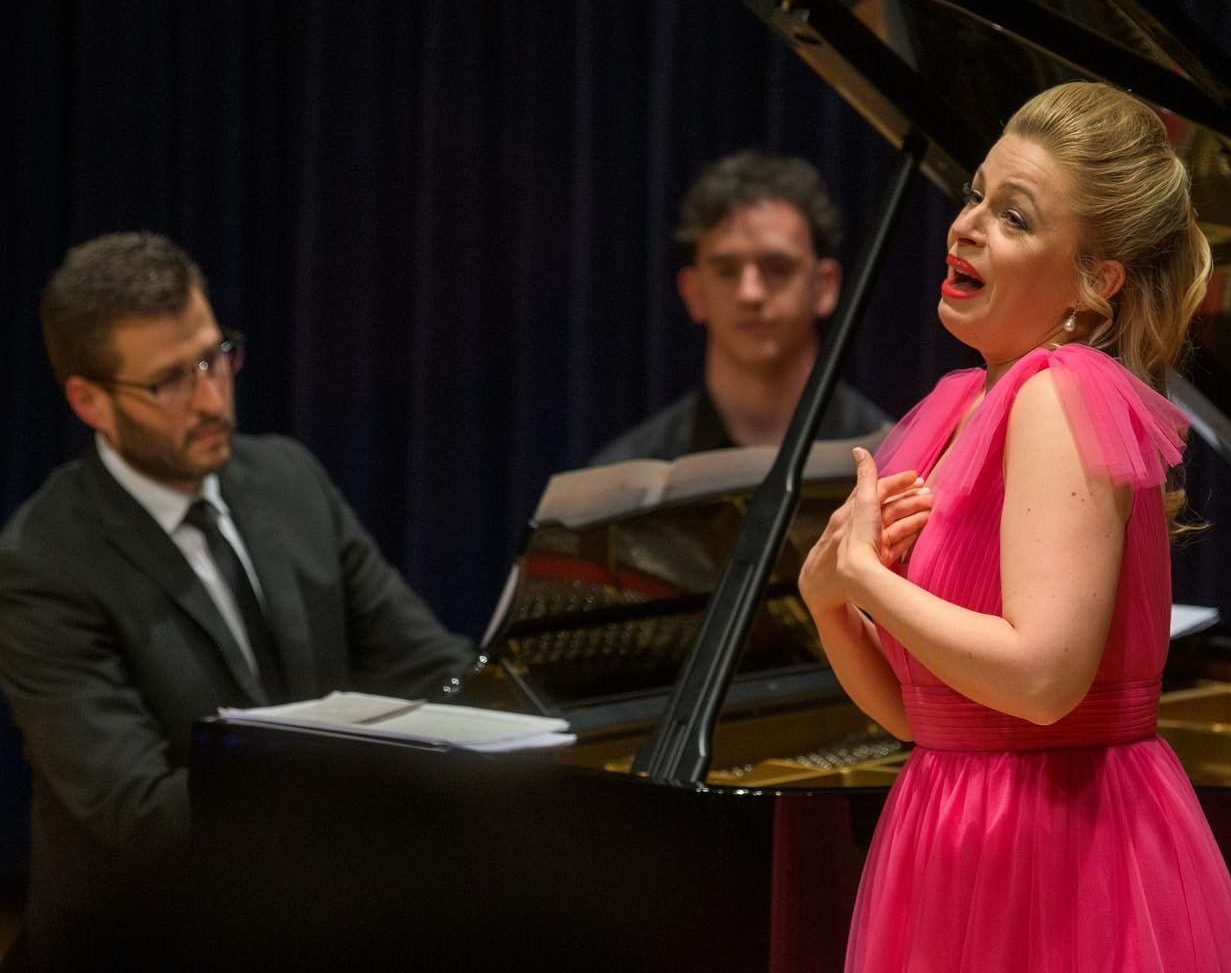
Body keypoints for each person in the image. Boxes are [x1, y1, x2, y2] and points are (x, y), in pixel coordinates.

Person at [799, 83, 1231, 971]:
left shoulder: (1061, 392)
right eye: (975, 195)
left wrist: (872, 583)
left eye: (1013, 216)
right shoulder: (961, 406)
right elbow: (920, 715)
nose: (965, 225)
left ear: (1098, 281)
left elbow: (1044, 679)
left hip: (1057, 842)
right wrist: (830, 603)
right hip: (950, 823)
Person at [0, 233, 476, 971]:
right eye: (169, 382)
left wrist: (514, 704)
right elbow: (143, 813)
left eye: (216, 356)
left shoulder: (289, 479)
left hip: (316, 915)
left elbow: (426, 661)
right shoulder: (42, 561)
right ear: (89, 400)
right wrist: (363, 770)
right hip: (151, 939)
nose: (212, 397)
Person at [589, 150, 889, 465]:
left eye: (777, 267)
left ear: (825, 286)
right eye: (726, 271)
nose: (750, 293)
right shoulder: (623, 473)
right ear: (694, 292)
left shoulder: (895, 460)